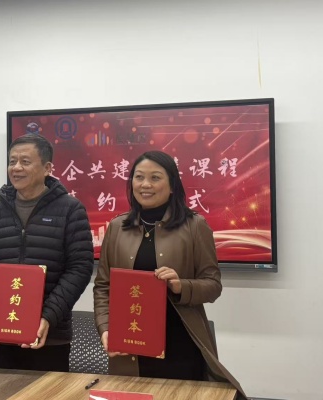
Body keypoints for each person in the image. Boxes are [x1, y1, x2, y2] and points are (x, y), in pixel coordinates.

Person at [93, 150, 247, 399]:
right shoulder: (117, 227)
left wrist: (180, 285)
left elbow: (213, 285)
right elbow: (103, 287)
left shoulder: (195, 225)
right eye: (139, 177)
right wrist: (105, 329)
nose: (145, 184)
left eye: (155, 178)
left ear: (173, 185)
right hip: (130, 343)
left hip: (180, 344)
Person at [0, 133, 94, 372]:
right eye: (12, 161)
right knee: (3, 389)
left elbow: (80, 268)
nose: (16, 168)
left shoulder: (70, 210)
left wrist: (48, 317)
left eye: (25, 161)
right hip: (2, 330)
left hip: (49, 334)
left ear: (47, 168)